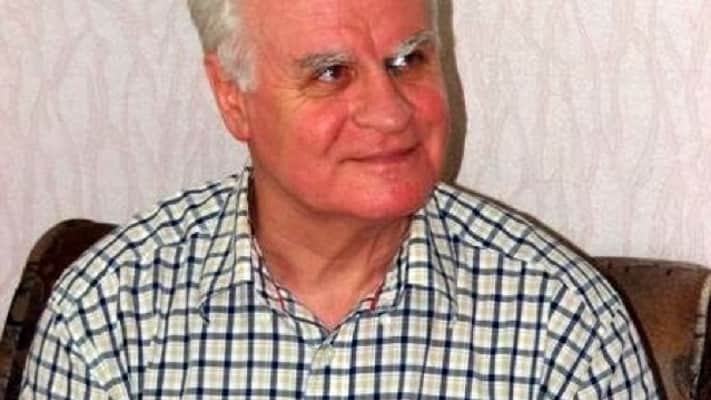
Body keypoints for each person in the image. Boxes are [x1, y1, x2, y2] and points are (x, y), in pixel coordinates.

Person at [21, 0, 659, 398]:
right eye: (331, 73)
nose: (389, 112)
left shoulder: (562, 323)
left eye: (408, 60)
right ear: (232, 97)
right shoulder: (109, 315)